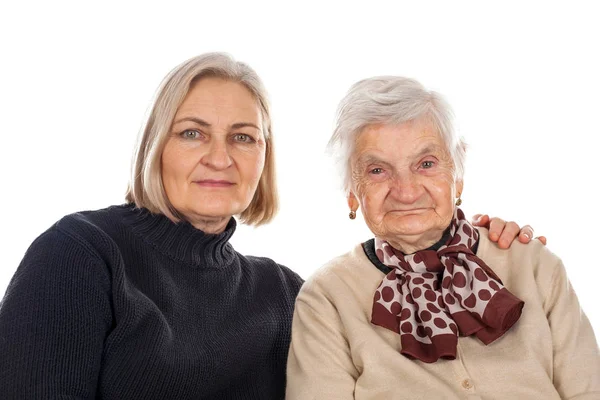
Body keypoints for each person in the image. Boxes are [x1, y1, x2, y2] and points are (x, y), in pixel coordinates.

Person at [0, 54, 536, 399]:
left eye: (242, 137)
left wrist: (479, 252)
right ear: (154, 146)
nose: (219, 157)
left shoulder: (284, 294)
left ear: (263, 158)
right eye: (192, 133)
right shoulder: (80, 254)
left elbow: (413, 375)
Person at [286, 76, 600, 399]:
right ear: (352, 194)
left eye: (426, 164)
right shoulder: (327, 298)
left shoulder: (532, 263)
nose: (406, 191)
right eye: (377, 170)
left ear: (457, 178)